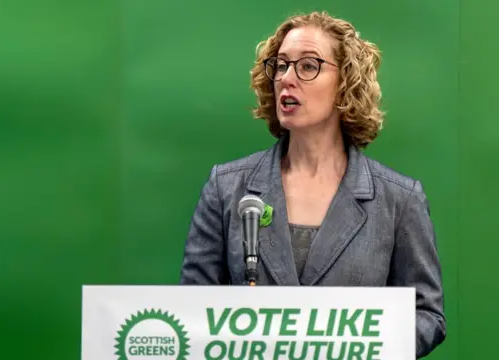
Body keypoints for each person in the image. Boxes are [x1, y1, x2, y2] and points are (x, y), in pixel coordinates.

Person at [180, 11, 446, 358]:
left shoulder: (399, 199)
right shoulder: (227, 187)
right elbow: (191, 308)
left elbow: (427, 316)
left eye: (308, 66)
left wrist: (359, 348)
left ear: (345, 83)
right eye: (281, 65)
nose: (287, 79)